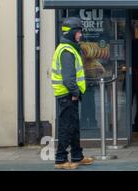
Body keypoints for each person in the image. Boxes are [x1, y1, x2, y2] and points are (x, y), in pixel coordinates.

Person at [51, 17, 94, 169]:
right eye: (78, 32)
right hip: (67, 95)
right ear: (71, 33)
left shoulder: (68, 48)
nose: (80, 35)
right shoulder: (67, 51)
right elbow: (68, 78)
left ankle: (77, 156)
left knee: (74, 127)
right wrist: (75, 92)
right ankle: (61, 160)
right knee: (66, 127)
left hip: (70, 95)